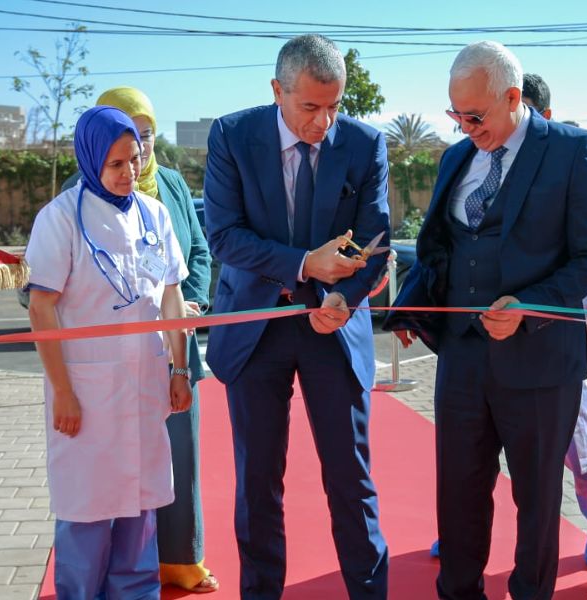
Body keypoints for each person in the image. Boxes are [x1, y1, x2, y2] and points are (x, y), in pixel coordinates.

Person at [385, 41, 587, 598]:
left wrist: (529, 307)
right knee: (459, 493)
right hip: (462, 358)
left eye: (475, 115)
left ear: (514, 98)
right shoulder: (455, 157)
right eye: (454, 114)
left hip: (540, 361)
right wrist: (412, 304)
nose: (464, 127)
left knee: (536, 499)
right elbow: (442, 243)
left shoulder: (573, 150)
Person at [203, 34, 391, 600]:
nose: (323, 122)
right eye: (310, 107)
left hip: (331, 329)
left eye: (334, 106)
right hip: (255, 331)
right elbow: (224, 237)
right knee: (258, 483)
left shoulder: (364, 144)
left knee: (349, 480)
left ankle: (369, 591)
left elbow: (375, 246)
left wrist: (345, 298)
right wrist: (305, 264)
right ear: (276, 91)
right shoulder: (232, 136)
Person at [26, 105, 192, 599]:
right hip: (87, 391)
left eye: (135, 160)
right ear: (91, 159)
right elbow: (41, 308)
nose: (128, 173)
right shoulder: (60, 218)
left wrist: (179, 368)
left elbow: (171, 295)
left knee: (140, 514)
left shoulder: (154, 214)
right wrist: (63, 392)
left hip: (144, 384)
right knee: (87, 516)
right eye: (115, 164)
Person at [67, 86, 218, 594]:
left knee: (177, 460)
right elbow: (47, 287)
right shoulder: (76, 195)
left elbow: (196, 252)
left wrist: (189, 301)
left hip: (174, 349)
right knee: (107, 475)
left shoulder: (171, 186)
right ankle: (106, 574)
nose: (139, 153)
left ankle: (180, 559)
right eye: (127, 142)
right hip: (108, 365)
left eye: (146, 136)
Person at [522, 72, 587, 570]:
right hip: (513, 329)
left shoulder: (578, 160)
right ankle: (466, 529)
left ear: (541, 114)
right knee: (503, 437)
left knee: (582, 438)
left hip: (573, 329)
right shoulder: (489, 162)